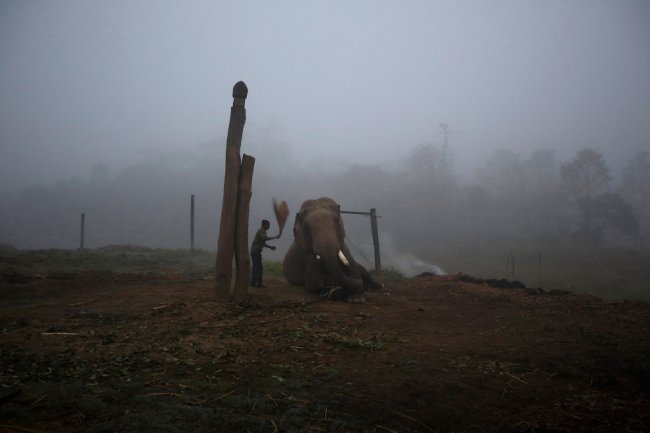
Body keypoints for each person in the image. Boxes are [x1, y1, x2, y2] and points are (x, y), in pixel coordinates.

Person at [250, 219, 278, 288]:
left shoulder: (263, 231)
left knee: (255, 268)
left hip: (255, 252)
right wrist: (274, 237)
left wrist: (270, 247)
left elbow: (262, 243)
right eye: (268, 225)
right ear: (264, 225)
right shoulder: (261, 231)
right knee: (259, 268)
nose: (269, 226)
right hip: (255, 252)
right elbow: (264, 238)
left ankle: (252, 283)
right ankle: (259, 284)